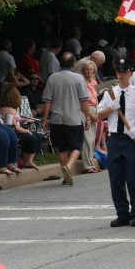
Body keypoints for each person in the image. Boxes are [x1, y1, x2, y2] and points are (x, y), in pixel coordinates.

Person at [97, 58, 135, 227]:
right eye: (119, 72)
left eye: (125, 72)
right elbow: (99, 116)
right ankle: (122, 213)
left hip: (131, 139)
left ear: (131, 73)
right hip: (114, 139)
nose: (122, 75)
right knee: (116, 179)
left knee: (134, 178)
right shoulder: (109, 93)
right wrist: (111, 107)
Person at [42, 52, 92, 186]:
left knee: (61, 148)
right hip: (73, 118)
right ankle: (68, 167)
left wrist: (45, 119)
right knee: (77, 146)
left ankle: (66, 176)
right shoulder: (78, 78)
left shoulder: (52, 78)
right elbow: (84, 101)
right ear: (73, 63)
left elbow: (47, 101)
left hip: (56, 119)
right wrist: (87, 117)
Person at [0, 87, 41, 170]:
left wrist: (24, 120)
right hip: (11, 131)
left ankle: (29, 160)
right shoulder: (8, 109)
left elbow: (17, 119)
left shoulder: (14, 108)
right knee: (31, 138)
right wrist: (27, 131)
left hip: (15, 129)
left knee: (38, 136)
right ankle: (24, 160)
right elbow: (14, 126)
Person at [78, 60, 100, 173]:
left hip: (94, 109)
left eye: (91, 69)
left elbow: (96, 99)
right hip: (85, 110)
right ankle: (87, 166)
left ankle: (91, 164)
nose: (89, 71)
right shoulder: (82, 82)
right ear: (83, 71)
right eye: (87, 69)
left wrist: (97, 112)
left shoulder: (95, 82)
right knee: (87, 138)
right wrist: (90, 115)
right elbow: (82, 101)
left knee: (92, 140)